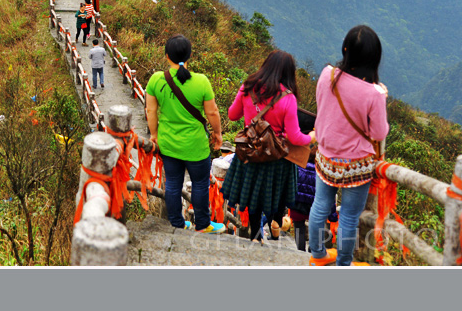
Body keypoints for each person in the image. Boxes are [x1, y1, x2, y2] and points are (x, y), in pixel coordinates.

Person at [308, 25, 389, 267]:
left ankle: (318, 255)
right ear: (374, 59)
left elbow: (324, 107)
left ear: (345, 50)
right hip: (356, 163)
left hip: (325, 156)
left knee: (320, 206)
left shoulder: (327, 75)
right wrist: (382, 97)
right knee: (350, 216)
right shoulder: (374, 93)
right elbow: (378, 132)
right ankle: (343, 264)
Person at [221, 50, 313, 244]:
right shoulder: (288, 98)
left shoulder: (247, 87)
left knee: (254, 195)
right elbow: (295, 138)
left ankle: (255, 237)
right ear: (289, 73)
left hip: (249, 152)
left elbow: (232, 115)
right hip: (276, 158)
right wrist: (312, 137)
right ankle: (275, 226)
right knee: (275, 196)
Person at [145, 34, 226, 233]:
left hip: (169, 144)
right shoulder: (201, 81)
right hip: (195, 146)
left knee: (172, 183)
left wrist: (154, 135)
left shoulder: (157, 79)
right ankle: (203, 224)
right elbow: (212, 112)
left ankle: (177, 224)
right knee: (200, 183)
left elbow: (150, 111)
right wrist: (218, 133)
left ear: (167, 56)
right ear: (189, 56)